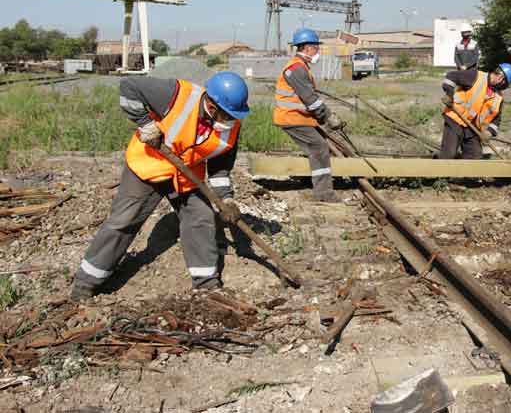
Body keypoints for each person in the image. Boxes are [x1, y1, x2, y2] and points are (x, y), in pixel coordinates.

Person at [70, 72, 251, 301]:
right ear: (212, 106)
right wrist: (145, 124)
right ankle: (85, 284)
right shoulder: (177, 95)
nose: (231, 120)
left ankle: (206, 285)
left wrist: (226, 199)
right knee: (124, 221)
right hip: (149, 167)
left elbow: (219, 167)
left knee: (201, 217)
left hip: (185, 176)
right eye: (228, 114)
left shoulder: (231, 126)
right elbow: (129, 86)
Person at [273, 28, 345, 202]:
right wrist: (328, 116)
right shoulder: (297, 68)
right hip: (292, 118)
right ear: (307, 48)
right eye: (316, 47)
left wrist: (322, 118)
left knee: (324, 144)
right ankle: (324, 194)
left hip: (299, 117)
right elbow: (310, 99)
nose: (318, 51)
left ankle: (319, 181)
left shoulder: (301, 66)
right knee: (319, 148)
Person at [439, 63, 511, 159]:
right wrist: (449, 94)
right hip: (455, 119)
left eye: (503, 82)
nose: (498, 81)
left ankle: (465, 173)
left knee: (474, 156)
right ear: (499, 77)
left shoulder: (498, 98)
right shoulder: (475, 76)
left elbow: (496, 120)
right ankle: (441, 172)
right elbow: (451, 76)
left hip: (472, 129)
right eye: (498, 76)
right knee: (449, 154)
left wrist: (489, 132)